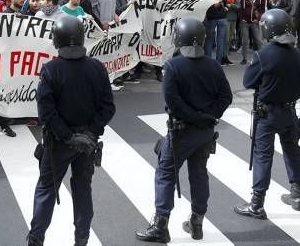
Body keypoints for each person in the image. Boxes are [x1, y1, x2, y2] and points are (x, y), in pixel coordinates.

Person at [136, 18, 233, 243]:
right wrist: (208, 117)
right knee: (199, 174)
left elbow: (173, 102)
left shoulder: (172, 66)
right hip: (205, 131)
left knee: (165, 174)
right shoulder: (213, 65)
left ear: (179, 38)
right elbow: (225, 97)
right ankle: (197, 221)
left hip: (181, 132)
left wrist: (196, 118)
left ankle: (160, 225)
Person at [27, 16, 115, 246]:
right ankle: (82, 239)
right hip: (87, 141)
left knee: (46, 189)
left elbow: (46, 113)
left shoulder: (51, 70)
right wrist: (90, 134)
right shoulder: (97, 67)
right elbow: (108, 107)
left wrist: (68, 137)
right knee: (83, 188)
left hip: (59, 142)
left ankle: (36, 239)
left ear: (57, 40)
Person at [235, 9, 300, 219]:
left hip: (268, 113)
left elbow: (248, 82)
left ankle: (257, 203)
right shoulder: (296, 53)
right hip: (290, 111)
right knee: (293, 151)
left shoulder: (263, 54)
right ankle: (297, 194)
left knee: (263, 155)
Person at [238, 0, 265, 65]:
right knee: (245, 40)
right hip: (245, 21)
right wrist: (242, 18)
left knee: (258, 40)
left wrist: (258, 19)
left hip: (255, 21)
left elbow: (262, 9)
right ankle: (244, 58)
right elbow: (241, 8)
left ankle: (262, 58)